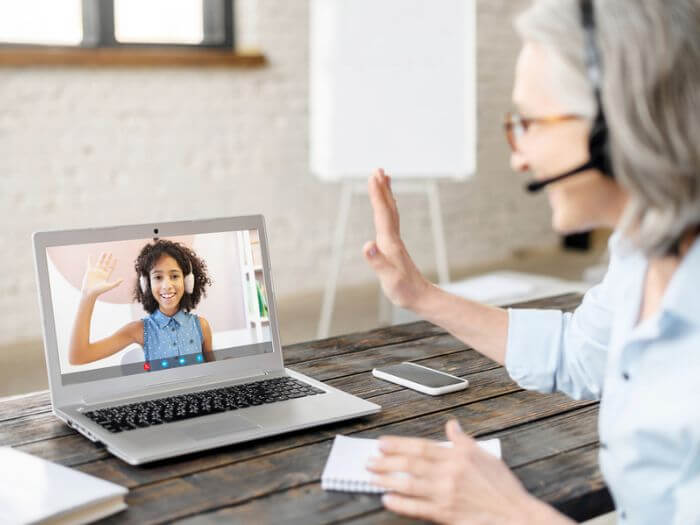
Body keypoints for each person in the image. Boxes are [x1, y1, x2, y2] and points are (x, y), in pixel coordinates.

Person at [362, 0, 700, 523]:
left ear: (617, 122)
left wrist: (509, 513)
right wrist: (419, 295)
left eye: (531, 122)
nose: (519, 156)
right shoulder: (640, 251)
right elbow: (579, 355)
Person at [69, 240, 214, 366]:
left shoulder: (201, 326)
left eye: (174, 276)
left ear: (188, 281)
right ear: (146, 284)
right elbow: (79, 356)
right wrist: (87, 296)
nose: (167, 285)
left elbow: (213, 373)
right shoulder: (139, 330)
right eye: (158, 277)